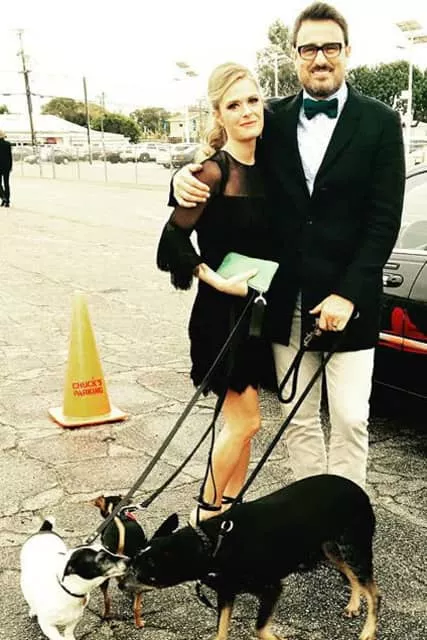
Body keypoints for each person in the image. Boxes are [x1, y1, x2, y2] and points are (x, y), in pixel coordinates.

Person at [170, 2, 405, 489]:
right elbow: (226, 159)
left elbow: (384, 221)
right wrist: (179, 179)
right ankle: (309, 518)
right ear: (295, 55)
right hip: (285, 301)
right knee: (297, 421)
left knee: (350, 419)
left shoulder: (380, 121)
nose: (320, 58)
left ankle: (345, 517)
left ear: (347, 51)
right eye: (308, 49)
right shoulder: (271, 116)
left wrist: (348, 294)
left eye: (330, 47)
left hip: (350, 303)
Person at [157, 62, 277, 525]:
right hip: (219, 315)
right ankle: (204, 518)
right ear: (218, 114)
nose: (247, 111)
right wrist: (214, 279)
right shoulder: (210, 172)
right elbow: (170, 242)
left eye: (253, 100)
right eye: (234, 105)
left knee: (243, 429)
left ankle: (229, 514)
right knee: (247, 422)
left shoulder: (271, 167)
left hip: (255, 312)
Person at [0, 130, 12, 207]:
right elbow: (10, 156)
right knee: (6, 183)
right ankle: (7, 201)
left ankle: (3, 197)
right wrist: (10, 166)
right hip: (6, 167)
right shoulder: (8, 144)